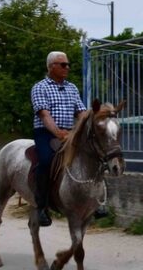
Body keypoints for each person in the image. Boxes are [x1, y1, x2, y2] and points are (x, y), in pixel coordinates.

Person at [31, 51, 86, 226]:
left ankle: (97, 200)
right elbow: (44, 115)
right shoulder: (40, 87)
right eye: (63, 64)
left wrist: (87, 126)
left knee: (92, 156)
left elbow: (82, 113)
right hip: (46, 133)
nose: (67, 68)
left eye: (68, 64)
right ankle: (41, 207)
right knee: (46, 161)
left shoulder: (72, 88)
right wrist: (58, 133)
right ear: (51, 66)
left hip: (69, 133)